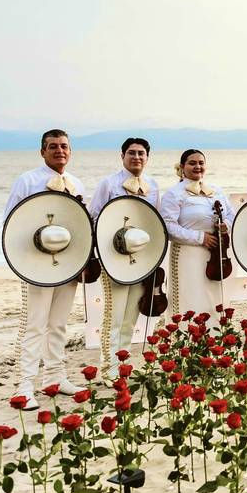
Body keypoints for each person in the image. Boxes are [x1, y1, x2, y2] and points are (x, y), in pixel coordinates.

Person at [5, 129, 85, 409]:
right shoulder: (27, 180)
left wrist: (82, 261)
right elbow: (11, 223)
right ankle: (25, 385)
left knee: (58, 324)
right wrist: (22, 263)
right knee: (34, 325)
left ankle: (55, 377)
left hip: (68, 263)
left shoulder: (76, 183)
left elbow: (81, 226)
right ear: (42, 151)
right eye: (53, 146)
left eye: (64, 146)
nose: (59, 151)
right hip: (37, 264)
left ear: (70, 151)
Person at [89, 137, 160, 378]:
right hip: (114, 257)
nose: (137, 157)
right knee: (114, 316)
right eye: (132, 153)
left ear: (147, 157)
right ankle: (108, 369)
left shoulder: (153, 185)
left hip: (141, 258)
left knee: (131, 317)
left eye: (141, 153)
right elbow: (95, 218)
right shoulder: (108, 184)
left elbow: (155, 222)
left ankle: (122, 367)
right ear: (122, 156)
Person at [159, 149, 235, 318]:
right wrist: (200, 238)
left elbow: (231, 213)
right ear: (182, 167)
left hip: (216, 252)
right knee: (190, 294)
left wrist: (225, 225)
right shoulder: (174, 193)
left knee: (213, 296)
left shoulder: (216, 190)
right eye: (192, 163)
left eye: (201, 163)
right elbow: (168, 226)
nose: (197, 166)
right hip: (188, 252)